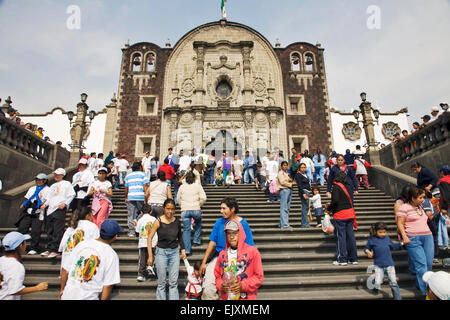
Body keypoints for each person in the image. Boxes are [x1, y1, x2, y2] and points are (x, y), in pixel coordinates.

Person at [199, 197, 255, 300]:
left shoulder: (243, 224)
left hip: (237, 260)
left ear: (232, 209)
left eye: (224, 208)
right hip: (219, 258)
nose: (221, 211)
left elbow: (250, 247)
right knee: (208, 288)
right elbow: (212, 242)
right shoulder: (219, 222)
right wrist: (204, 262)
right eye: (221, 208)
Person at [59, 219, 122, 300]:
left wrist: (62, 289)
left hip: (68, 294)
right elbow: (108, 285)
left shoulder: (82, 244)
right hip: (89, 297)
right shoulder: (111, 254)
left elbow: (65, 269)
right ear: (115, 236)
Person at [396, 186, 434, 297]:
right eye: (421, 197)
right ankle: (425, 293)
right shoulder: (404, 207)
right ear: (413, 198)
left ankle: (420, 284)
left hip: (427, 236)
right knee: (421, 265)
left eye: (423, 197)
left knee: (428, 263)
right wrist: (405, 236)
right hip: (413, 238)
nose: (423, 199)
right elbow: (400, 224)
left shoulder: (420, 206)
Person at [147, 199, 186, 300]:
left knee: (173, 282)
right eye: (168, 209)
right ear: (164, 209)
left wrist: (183, 249)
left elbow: (180, 236)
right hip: (161, 253)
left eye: (172, 209)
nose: (170, 211)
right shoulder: (158, 221)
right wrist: (150, 256)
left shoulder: (177, 221)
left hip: (174, 253)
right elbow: (149, 237)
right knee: (161, 282)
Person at [214, 220, 264, 300]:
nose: (231, 236)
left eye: (235, 233)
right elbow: (217, 277)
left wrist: (243, 285)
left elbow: (259, 277)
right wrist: (221, 285)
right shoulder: (222, 254)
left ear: (241, 233)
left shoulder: (253, 252)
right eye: (229, 233)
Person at [0, 232, 48, 300]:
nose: (26, 245)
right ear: (20, 246)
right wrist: (37, 288)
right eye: (25, 242)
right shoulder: (15, 265)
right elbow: (15, 290)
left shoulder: (1, 260)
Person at [40, 168, 75, 259]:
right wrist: (45, 204)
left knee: (57, 230)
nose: (56, 176)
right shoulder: (53, 185)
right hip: (50, 209)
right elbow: (49, 198)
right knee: (49, 229)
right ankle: (49, 247)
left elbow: (72, 194)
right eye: (55, 174)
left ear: (63, 175)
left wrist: (65, 203)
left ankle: (55, 248)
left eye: (58, 174)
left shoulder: (67, 184)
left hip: (59, 209)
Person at [326, 171, 358, 266]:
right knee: (351, 237)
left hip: (340, 214)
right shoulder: (348, 186)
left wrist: (329, 208)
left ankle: (342, 259)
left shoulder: (336, 186)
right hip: (350, 213)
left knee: (341, 237)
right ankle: (353, 258)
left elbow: (335, 200)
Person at [364, 222, 403, 300]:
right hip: (378, 264)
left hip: (389, 264)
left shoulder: (387, 238)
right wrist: (368, 252)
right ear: (375, 231)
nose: (383, 234)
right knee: (378, 281)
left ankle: (398, 298)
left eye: (384, 232)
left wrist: (401, 244)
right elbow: (366, 248)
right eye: (380, 232)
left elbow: (393, 247)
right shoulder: (372, 239)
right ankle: (375, 286)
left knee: (393, 282)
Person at [58, 207, 100, 277]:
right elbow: (97, 245)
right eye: (92, 215)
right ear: (87, 216)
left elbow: (62, 247)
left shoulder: (70, 228)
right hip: (81, 269)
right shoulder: (92, 227)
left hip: (65, 269)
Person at [16, 173, 50, 255]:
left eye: (40, 180)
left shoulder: (47, 189)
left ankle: (34, 247)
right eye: (37, 180)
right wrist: (24, 204)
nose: (38, 181)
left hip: (38, 212)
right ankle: (18, 245)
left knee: (36, 231)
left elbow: (48, 200)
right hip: (29, 211)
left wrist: (43, 205)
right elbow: (27, 198)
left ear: (44, 181)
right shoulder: (32, 188)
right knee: (22, 228)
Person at [178, 171, 207, 256]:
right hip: (195, 208)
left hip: (185, 210)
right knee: (198, 223)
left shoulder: (182, 187)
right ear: (194, 179)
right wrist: (199, 204)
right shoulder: (198, 186)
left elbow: (178, 198)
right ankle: (196, 239)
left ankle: (187, 250)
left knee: (186, 229)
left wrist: (182, 205)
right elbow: (204, 198)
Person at [124, 162, 149, 237]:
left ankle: (132, 232)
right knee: (143, 212)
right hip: (140, 196)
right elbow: (145, 187)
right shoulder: (143, 175)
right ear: (140, 168)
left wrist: (126, 197)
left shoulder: (128, 176)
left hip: (130, 196)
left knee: (131, 214)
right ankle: (137, 221)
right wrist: (146, 198)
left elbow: (126, 188)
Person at [135, 204, 157, 282]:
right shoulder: (154, 219)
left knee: (142, 258)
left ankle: (141, 274)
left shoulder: (140, 220)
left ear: (141, 212)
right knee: (153, 255)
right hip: (153, 241)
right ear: (151, 211)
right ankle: (151, 267)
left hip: (143, 241)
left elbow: (137, 231)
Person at [277, 161, 295, 230]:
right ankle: (284, 225)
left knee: (287, 207)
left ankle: (282, 223)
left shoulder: (286, 173)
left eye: (286, 165)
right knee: (284, 207)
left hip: (288, 190)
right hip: (284, 190)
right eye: (284, 165)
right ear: (281, 166)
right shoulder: (280, 173)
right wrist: (290, 184)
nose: (285, 167)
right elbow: (282, 182)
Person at [295, 163, 312, 228]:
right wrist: (303, 193)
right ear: (299, 168)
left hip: (307, 191)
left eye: (304, 167)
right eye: (302, 167)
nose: (303, 169)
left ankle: (304, 223)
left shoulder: (306, 175)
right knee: (305, 208)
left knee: (306, 207)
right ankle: (305, 224)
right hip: (304, 191)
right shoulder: (298, 175)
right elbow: (299, 185)